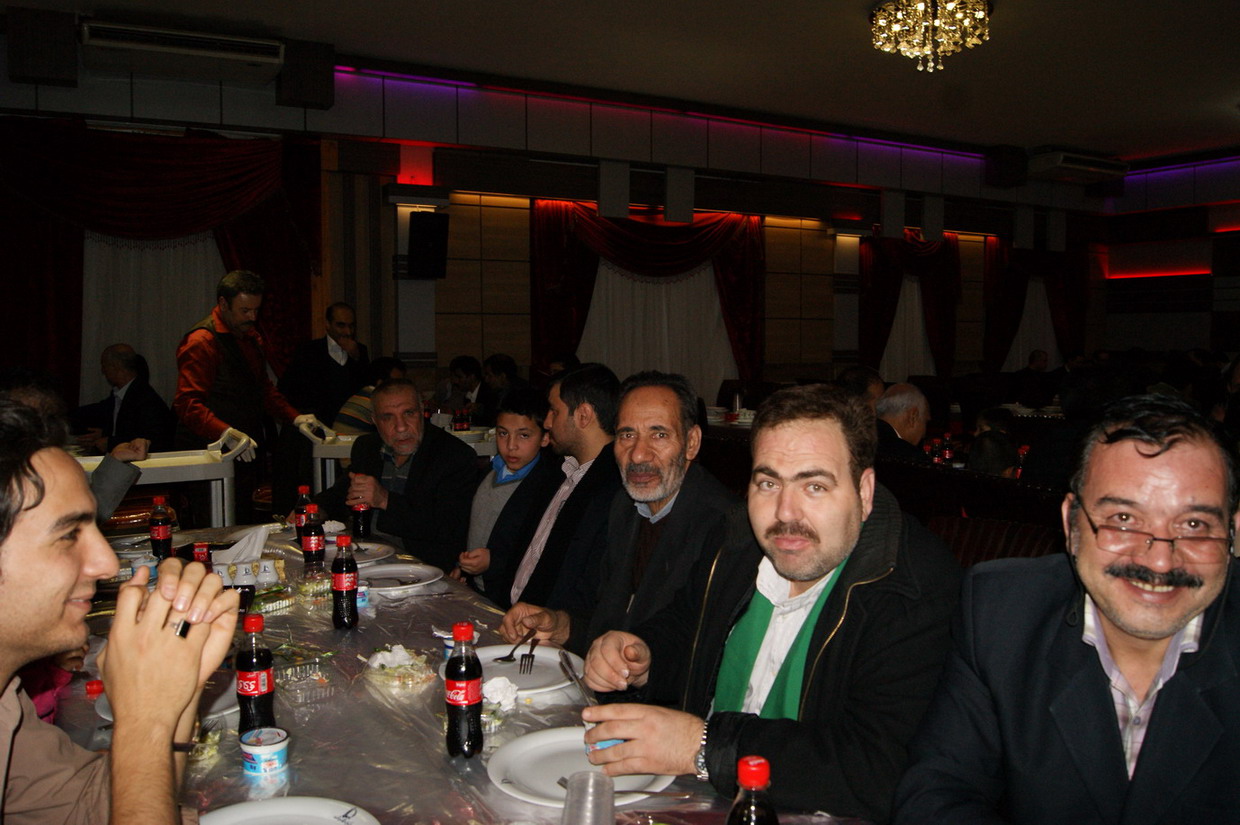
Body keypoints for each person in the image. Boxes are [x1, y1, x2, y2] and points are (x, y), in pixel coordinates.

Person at [582, 384, 961, 821]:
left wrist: (703, 745)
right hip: (706, 800)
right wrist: (642, 654)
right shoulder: (735, 539)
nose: (785, 513)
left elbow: (876, 768)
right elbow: (686, 624)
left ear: (864, 490)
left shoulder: (912, 585)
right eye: (768, 483)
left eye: (814, 486)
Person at [895, 394, 1240, 824]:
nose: (1158, 561)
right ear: (1071, 522)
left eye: (1193, 525)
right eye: (1123, 520)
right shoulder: (1002, 612)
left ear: (1233, 532)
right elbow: (936, 795)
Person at [0, 397, 239, 823]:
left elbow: (87, 806)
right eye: (69, 535)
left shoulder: (7, 701)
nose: (107, 564)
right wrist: (145, 721)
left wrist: (175, 694)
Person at [500, 371, 735, 655]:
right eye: (627, 435)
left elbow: (698, 649)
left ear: (692, 442)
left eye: (659, 434)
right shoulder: (626, 508)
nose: (638, 454)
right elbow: (607, 619)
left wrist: (638, 659)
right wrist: (559, 625)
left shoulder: (723, 526)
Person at [173, 270, 312, 521]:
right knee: (211, 525)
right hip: (208, 453)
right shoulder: (202, 341)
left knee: (241, 521)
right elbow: (187, 404)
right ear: (223, 304)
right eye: (245, 310)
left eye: (256, 310)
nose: (252, 317)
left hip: (243, 450)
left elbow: (262, 389)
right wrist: (225, 432)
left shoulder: (249, 337)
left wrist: (295, 417)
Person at [486, 363, 623, 612]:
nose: (547, 422)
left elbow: (587, 589)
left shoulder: (613, 489)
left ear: (583, 415)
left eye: (554, 411)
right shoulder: (556, 470)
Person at [313, 378, 478, 571]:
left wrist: (385, 499)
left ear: (422, 411)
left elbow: (447, 528)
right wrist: (314, 509)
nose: (401, 427)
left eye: (409, 413)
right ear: (375, 421)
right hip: (367, 557)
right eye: (388, 417)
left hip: (424, 566)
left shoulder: (453, 455)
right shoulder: (367, 447)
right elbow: (344, 491)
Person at [451, 385, 558, 596]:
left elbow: (541, 550)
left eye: (524, 435)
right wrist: (461, 565)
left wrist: (495, 560)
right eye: (503, 433)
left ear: (545, 438)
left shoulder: (546, 488)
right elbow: (472, 525)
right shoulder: (489, 472)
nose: (511, 445)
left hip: (509, 594)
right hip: (475, 587)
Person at [273, 302, 371, 511]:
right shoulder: (308, 350)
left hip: (346, 431)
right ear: (327, 324)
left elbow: (366, 392)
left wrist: (357, 358)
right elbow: (287, 389)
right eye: (341, 325)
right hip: (313, 430)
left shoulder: (360, 351)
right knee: (310, 481)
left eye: (351, 326)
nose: (347, 332)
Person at [72, 344, 173, 453]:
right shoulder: (120, 395)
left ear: (116, 366)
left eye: (104, 365)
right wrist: (104, 434)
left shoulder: (146, 400)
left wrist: (110, 443)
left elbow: (154, 440)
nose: (103, 370)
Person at [331, 356, 408, 436]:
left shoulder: (365, 393)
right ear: (380, 383)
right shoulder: (378, 400)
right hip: (350, 442)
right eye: (396, 382)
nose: (401, 387)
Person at [876, 382, 930, 462]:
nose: (924, 434)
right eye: (925, 422)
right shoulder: (909, 456)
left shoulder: (861, 435)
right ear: (913, 417)